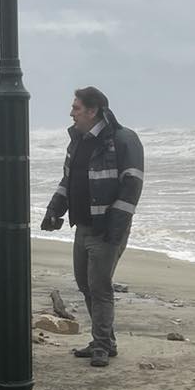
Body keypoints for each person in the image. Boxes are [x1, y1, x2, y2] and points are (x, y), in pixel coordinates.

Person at [41, 88, 145, 368]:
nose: (71, 112)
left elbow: (132, 184)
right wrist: (54, 210)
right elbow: (67, 181)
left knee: (100, 286)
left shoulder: (123, 140)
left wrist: (116, 224)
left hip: (106, 228)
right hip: (83, 225)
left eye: (76, 108)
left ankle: (101, 344)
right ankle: (105, 341)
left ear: (92, 110)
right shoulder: (77, 141)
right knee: (85, 283)